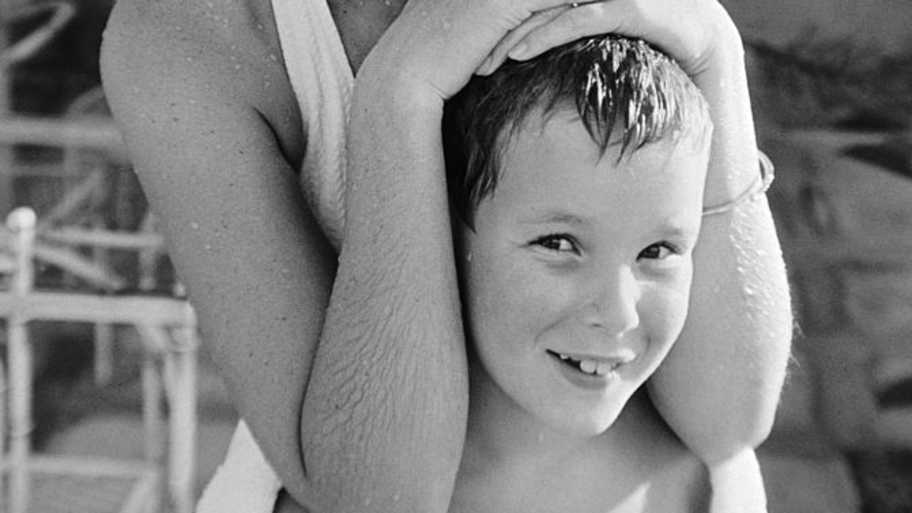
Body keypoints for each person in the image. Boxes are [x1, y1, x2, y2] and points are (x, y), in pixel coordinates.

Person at [99, 0, 792, 511]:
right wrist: (401, 88)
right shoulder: (187, 33)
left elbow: (728, 419)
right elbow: (376, 496)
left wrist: (713, 51)